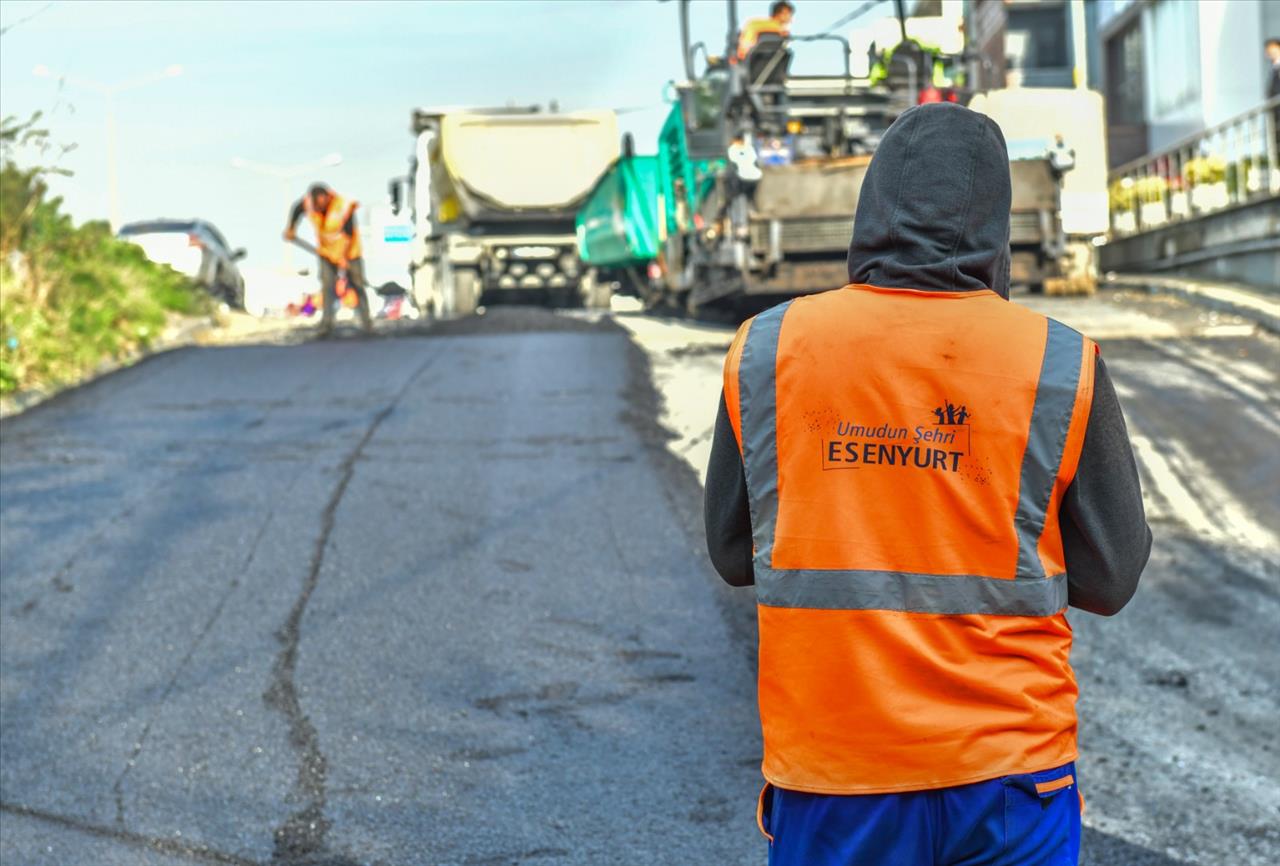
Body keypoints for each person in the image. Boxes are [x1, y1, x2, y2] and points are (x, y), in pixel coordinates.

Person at [704, 103, 1152, 866]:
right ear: (998, 223)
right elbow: (1110, 579)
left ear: (872, 206)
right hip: (1011, 774)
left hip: (836, 772)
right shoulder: (1059, 361)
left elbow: (734, 552)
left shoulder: (768, 348)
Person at [284, 183, 372, 335]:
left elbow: (349, 234)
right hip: (326, 253)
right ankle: (327, 324)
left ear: (328, 197)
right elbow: (297, 209)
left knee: (357, 284)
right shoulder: (309, 204)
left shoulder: (343, 206)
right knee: (327, 286)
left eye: (321, 204)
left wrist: (343, 258)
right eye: (316, 205)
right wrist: (291, 228)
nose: (318, 208)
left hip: (350, 253)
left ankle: (366, 323)